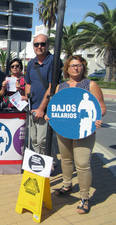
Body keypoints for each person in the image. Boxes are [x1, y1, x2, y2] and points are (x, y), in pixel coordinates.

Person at [49, 55, 106, 214]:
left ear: (83, 67)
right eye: (72, 65)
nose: (76, 68)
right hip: (64, 129)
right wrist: (50, 115)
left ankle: (84, 197)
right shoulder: (60, 87)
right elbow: (56, 107)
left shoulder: (91, 85)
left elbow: (101, 108)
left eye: (79, 65)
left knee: (82, 163)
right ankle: (67, 185)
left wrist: (98, 118)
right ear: (67, 69)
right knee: (66, 159)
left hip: (84, 130)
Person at [24, 33, 61, 155]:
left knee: (43, 140)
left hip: (46, 110)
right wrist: (28, 102)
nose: (39, 46)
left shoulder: (53, 61)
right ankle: (37, 164)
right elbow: (28, 84)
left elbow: (52, 87)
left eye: (42, 44)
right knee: (34, 140)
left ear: (48, 45)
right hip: (33, 109)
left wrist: (41, 108)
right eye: (36, 44)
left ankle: (49, 164)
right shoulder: (31, 63)